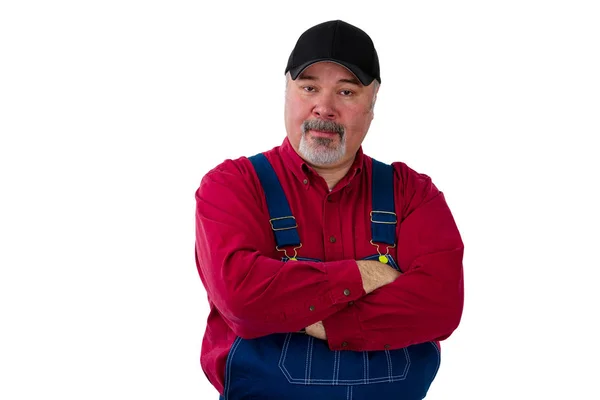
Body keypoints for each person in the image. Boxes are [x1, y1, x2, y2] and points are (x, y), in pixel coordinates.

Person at [194, 19, 464, 400]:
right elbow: (242, 298)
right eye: (309, 88)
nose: (325, 107)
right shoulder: (233, 185)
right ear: (286, 93)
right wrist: (368, 273)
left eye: (347, 91)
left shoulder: (414, 194)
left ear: (372, 103)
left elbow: (440, 307)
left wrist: (298, 312)